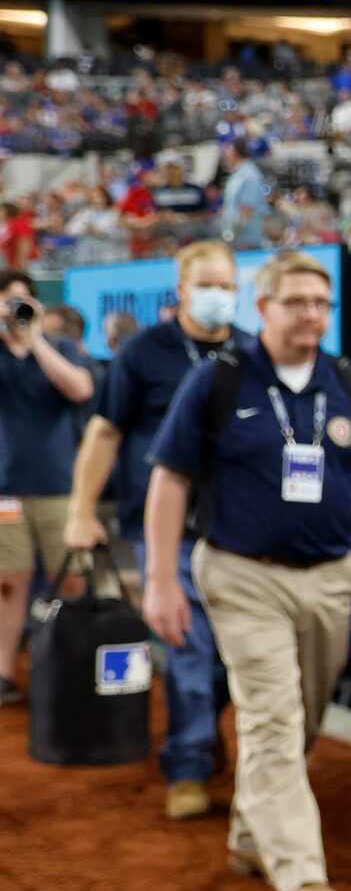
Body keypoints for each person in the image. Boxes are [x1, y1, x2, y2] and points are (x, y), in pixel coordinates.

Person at [143, 251, 351, 891]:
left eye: (321, 304)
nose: (311, 315)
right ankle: (301, 874)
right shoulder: (221, 380)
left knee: (297, 719)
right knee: (271, 716)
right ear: (262, 308)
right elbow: (170, 480)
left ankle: (249, 832)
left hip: (332, 580)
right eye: (296, 302)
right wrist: (159, 579)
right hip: (243, 576)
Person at [62, 240, 247, 816]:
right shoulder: (145, 351)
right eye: (208, 285)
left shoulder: (249, 352)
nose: (219, 296)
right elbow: (105, 433)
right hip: (164, 523)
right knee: (187, 644)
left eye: (228, 286)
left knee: (227, 655)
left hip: (239, 527)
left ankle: (203, 727)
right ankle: (187, 767)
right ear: (183, 289)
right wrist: (81, 507)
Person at [0, 270, 96, 702]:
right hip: (6, 491)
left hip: (59, 485)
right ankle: (3, 670)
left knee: (71, 580)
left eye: (18, 300)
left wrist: (35, 338)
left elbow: (80, 389)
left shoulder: (58, 348)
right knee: (8, 580)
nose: (11, 310)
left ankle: (72, 666)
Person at [215, 137, 269, 250]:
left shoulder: (250, 175)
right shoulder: (236, 175)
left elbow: (248, 208)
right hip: (235, 241)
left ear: (235, 152)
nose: (224, 155)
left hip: (247, 241)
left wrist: (232, 232)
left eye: (227, 151)